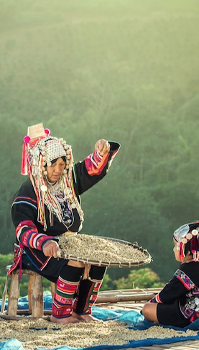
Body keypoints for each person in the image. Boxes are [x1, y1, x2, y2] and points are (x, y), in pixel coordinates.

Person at [10, 123, 120, 323]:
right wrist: (44, 242)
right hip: (35, 250)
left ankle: (82, 311)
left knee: (99, 258)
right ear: (41, 164)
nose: (58, 170)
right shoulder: (28, 191)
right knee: (76, 261)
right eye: (53, 165)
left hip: (68, 243)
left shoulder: (68, 180)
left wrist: (102, 150)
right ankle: (60, 315)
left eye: (62, 164)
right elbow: (23, 230)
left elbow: (91, 168)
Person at [141, 220, 199, 327]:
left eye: (176, 246)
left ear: (187, 250)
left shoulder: (188, 268)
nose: (173, 250)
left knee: (147, 309)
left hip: (195, 316)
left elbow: (167, 294)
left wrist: (152, 303)